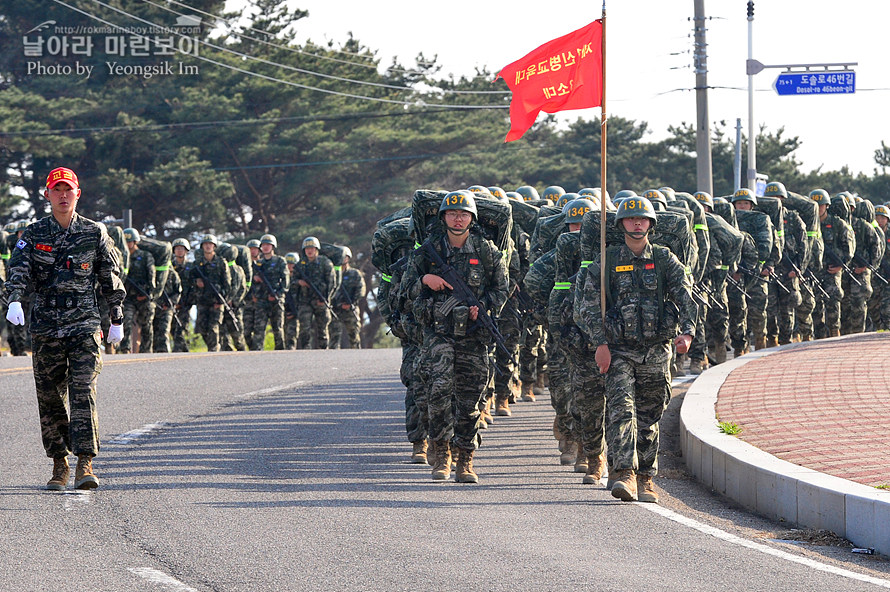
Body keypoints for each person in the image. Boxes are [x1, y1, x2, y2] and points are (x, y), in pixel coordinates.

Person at [4, 166, 126, 490]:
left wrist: (116, 316)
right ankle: (60, 464)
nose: (62, 195)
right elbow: (18, 270)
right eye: (56, 190)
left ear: (77, 194)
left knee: (83, 390)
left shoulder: (94, 232)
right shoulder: (32, 234)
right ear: (47, 195)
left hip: (84, 324)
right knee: (50, 398)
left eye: (68, 190)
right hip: (45, 326)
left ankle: (85, 460)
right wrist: (14, 299)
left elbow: (109, 275)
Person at [574, 196, 696, 503]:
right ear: (622, 225)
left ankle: (646, 478)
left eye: (642, 219)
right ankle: (626, 473)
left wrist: (687, 332)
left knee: (650, 415)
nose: (637, 223)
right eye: (631, 219)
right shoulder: (608, 259)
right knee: (621, 410)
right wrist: (600, 344)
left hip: (657, 349)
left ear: (651, 225)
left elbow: (685, 294)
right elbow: (586, 305)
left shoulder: (665, 259)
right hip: (620, 350)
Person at [402, 191, 509, 483]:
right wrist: (426, 280)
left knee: (470, 400)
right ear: (443, 218)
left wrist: (482, 306)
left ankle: (465, 459)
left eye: (463, 214)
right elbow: (404, 290)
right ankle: (442, 453)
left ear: (472, 219)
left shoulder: (486, 251)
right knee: (438, 394)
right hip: (437, 334)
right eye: (452, 214)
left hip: (473, 336)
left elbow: (502, 289)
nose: (458, 218)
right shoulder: (427, 252)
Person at [185, 234, 232, 351]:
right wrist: (196, 281)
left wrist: (221, 301)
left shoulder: (221, 263)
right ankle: (214, 347)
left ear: (214, 246)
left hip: (217, 300)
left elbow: (227, 284)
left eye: (210, 244)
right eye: (205, 244)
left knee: (213, 327)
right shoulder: (197, 263)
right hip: (202, 300)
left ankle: (214, 350)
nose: (208, 246)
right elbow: (189, 279)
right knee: (202, 329)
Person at [294, 236, 335, 349]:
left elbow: (331, 283)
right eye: (307, 249)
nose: (309, 251)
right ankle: (306, 350)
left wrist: (326, 298)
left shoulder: (325, 263)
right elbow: (292, 282)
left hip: (321, 299)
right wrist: (299, 282)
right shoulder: (300, 265)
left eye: (312, 248)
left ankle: (323, 350)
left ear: (316, 249)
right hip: (305, 300)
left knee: (322, 328)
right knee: (304, 327)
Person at [120, 228, 156, 354]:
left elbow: (151, 275)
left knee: (146, 325)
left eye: (130, 241)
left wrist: (148, 293)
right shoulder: (121, 258)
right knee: (126, 321)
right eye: (125, 241)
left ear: (135, 242)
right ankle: (125, 348)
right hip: (128, 297)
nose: (127, 244)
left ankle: (146, 351)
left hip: (144, 296)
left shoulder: (145, 256)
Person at [331, 247, 366, 349]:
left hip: (350, 308)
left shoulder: (354, 274)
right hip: (335, 309)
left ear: (348, 258)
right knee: (334, 337)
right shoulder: (333, 274)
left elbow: (361, 290)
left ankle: (356, 359)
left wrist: (352, 302)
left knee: (354, 336)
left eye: (344, 256)